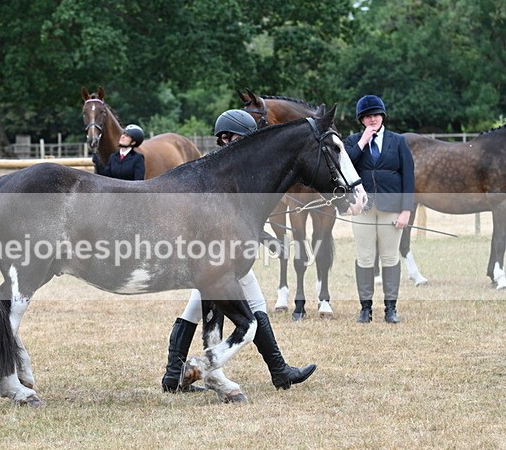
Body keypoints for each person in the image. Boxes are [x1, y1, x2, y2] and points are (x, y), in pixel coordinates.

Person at [161, 109, 317, 393]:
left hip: (222, 256)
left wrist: (267, 239)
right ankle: (277, 370)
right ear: (232, 139)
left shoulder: (229, 171)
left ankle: (174, 376)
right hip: (220, 258)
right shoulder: (224, 174)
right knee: (252, 307)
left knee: (198, 308)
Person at [344, 95, 415, 324]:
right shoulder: (352, 142)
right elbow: (346, 166)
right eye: (367, 116)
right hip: (363, 208)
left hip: (391, 207)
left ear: (382, 116)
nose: (372, 119)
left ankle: (390, 307)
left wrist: (406, 210)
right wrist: (363, 141)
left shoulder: (398, 141)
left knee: (390, 257)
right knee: (365, 257)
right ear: (361, 120)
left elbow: (408, 177)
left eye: (375, 115)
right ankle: (365, 307)